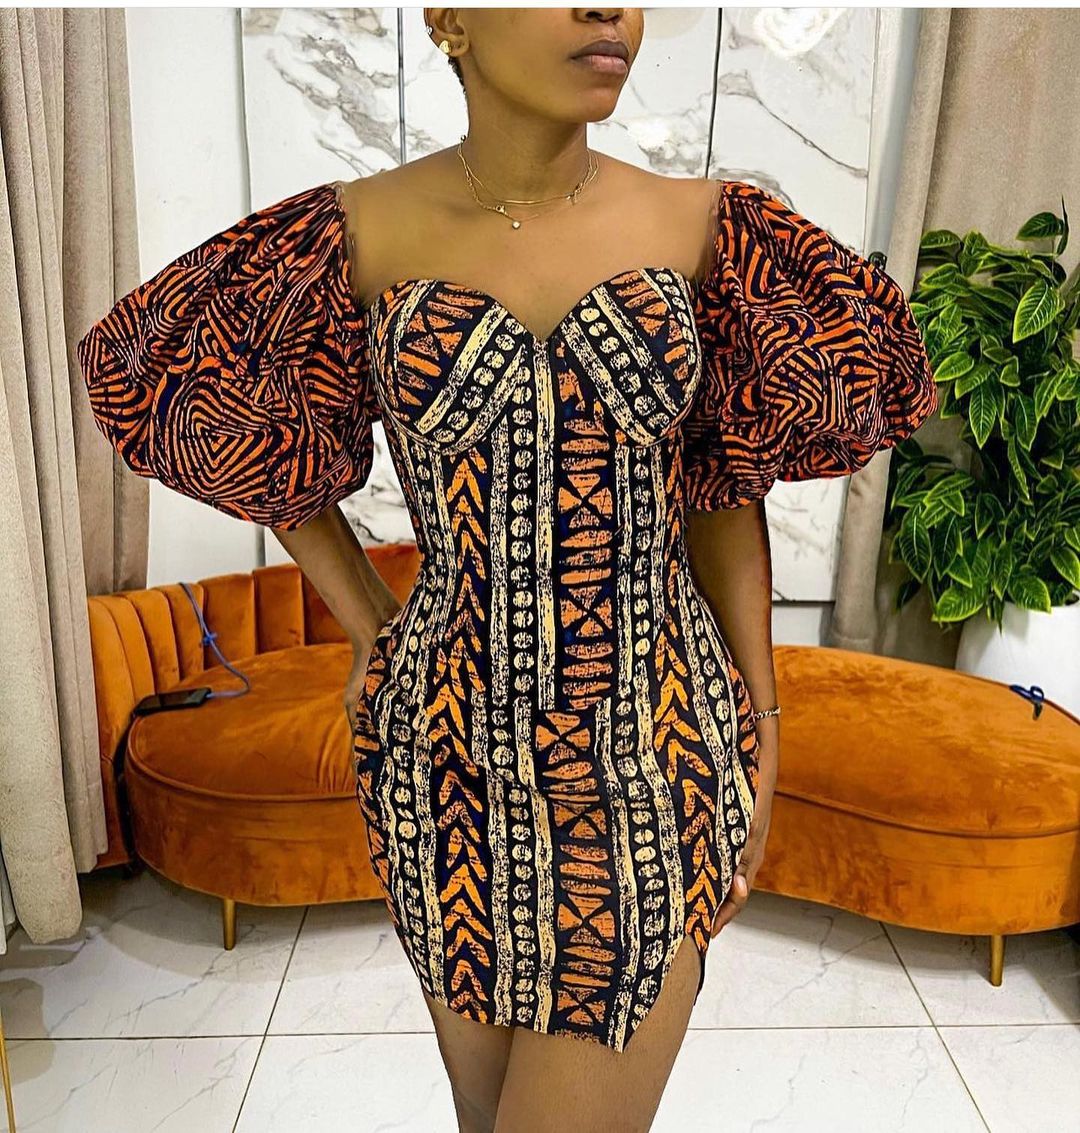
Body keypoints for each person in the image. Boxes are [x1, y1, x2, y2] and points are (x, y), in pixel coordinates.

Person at [77, 9, 937, 1131]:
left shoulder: (705, 229)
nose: (608, 8)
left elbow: (724, 491)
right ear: (449, 18)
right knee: (483, 1115)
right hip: (441, 758)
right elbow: (217, 408)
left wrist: (763, 719)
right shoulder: (356, 233)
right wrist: (370, 619)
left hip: (652, 745)